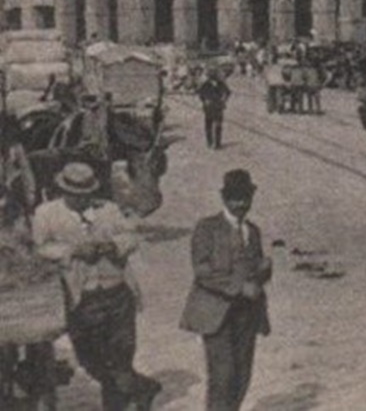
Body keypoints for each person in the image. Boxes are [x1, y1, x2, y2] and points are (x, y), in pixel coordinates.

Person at [33, 161, 161, 411]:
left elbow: (132, 237)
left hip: (117, 295)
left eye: (86, 194)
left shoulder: (109, 210)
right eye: (76, 195)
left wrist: (113, 246)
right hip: (81, 299)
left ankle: (116, 405)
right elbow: (40, 249)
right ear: (63, 191)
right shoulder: (46, 214)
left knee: (121, 357)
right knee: (89, 360)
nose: (82, 199)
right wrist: (73, 251)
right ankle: (142, 387)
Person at [181, 169, 273, 411]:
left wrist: (264, 270)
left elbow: (254, 270)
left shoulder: (253, 231)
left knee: (242, 375)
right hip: (215, 314)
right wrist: (239, 287)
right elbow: (202, 272)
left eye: (246, 198)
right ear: (224, 199)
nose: (241, 204)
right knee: (223, 376)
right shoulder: (207, 228)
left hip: (247, 314)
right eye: (235, 198)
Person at [197, 70, 232, 150]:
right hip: (210, 107)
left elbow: (228, 92)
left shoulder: (220, 83)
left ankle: (217, 143)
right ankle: (210, 142)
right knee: (209, 125)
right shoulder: (206, 84)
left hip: (217, 106)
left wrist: (224, 99)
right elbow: (200, 94)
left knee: (217, 125)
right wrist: (204, 100)